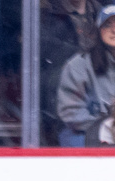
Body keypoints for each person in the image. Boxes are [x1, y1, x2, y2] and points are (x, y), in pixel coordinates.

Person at [41, 0, 103, 145]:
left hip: (99, 73)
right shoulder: (51, 12)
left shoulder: (101, 11)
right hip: (64, 72)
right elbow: (47, 46)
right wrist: (80, 56)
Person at [57, 5, 115, 146]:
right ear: (99, 31)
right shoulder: (79, 65)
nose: (114, 30)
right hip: (89, 135)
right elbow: (70, 111)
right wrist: (106, 125)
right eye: (107, 25)